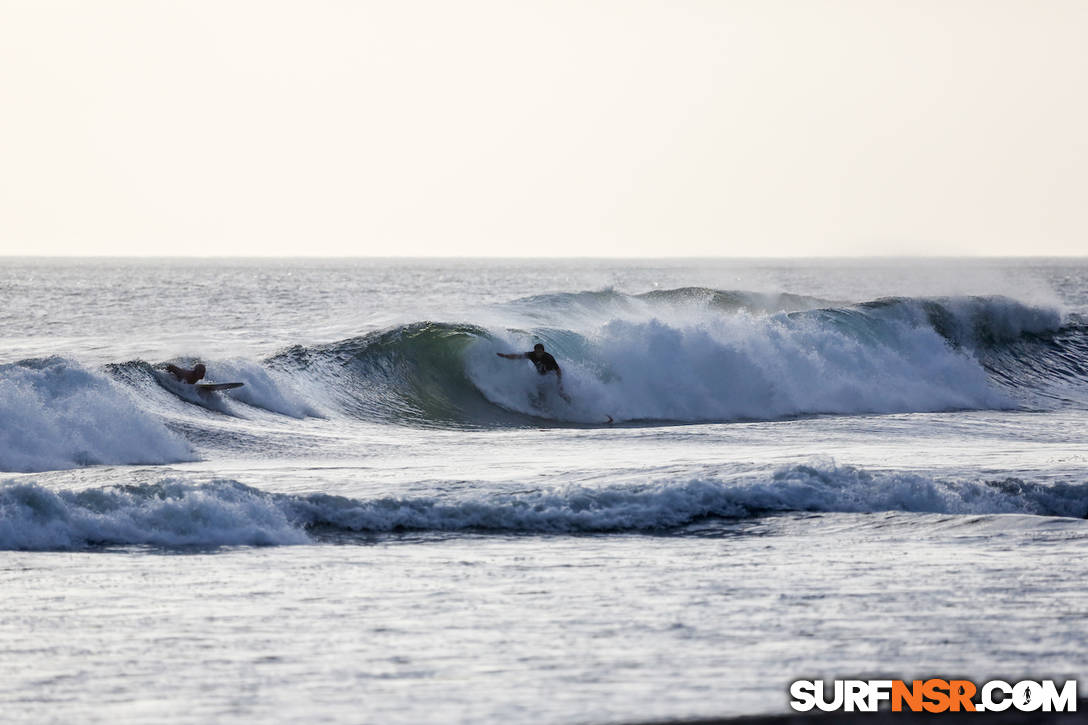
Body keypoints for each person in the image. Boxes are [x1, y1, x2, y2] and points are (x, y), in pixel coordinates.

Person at [497, 343, 571, 402]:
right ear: (534, 351)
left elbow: (558, 370)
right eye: (537, 352)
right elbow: (518, 356)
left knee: (559, 393)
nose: (538, 353)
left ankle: (569, 401)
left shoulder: (548, 357)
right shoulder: (531, 355)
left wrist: (559, 383)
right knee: (541, 391)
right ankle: (543, 408)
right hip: (543, 375)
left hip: (553, 375)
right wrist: (505, 356)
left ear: (543, 351)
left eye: (540, 352)